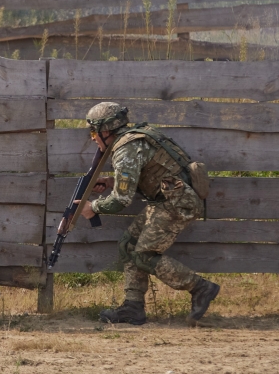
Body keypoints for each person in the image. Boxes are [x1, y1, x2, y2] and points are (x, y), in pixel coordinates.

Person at [70, 102, 219, 326]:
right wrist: (112, 182)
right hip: (166, 200)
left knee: (143, 255)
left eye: (93, 131)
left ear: (106, 130)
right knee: (129, 245)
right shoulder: (134, 138)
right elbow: (148, 175)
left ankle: (200, 287)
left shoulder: (125, 148)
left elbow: (122, 200)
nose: (92, 137)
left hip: (177, 203)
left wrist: (94, 208)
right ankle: (133, 308)